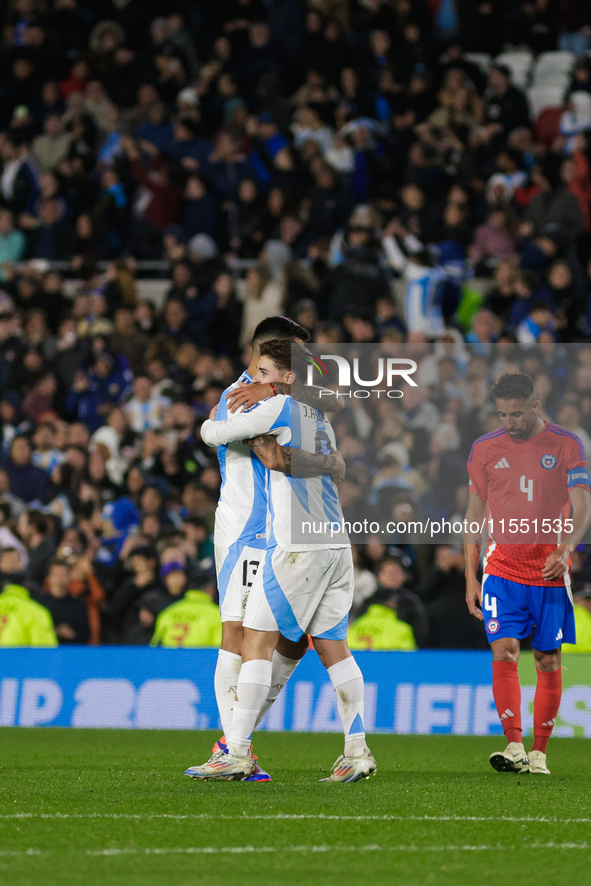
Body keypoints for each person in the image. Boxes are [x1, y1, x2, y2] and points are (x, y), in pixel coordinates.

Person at [188, 340, 376, 783]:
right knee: (334, 647)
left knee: (253, 639)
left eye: (264, 371)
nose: (255, 380)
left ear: (287, 377)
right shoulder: (320, 418)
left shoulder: (277, 407)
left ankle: (235, 751)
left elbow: (211, 434)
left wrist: (227, 415)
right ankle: (357, 751)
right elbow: (315, 462)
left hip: (296, 546)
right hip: (335, 544)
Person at [464, 372, 591, 775]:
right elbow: (473, 516)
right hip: (500, 571)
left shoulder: (566, 444)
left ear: (535, 407)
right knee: (504, 651)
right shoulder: (484, 449)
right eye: (502, 414)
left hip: (549, 573)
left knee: (547, 660)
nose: (509, 423)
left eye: (516, 414)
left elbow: (582, 506)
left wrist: (566, 547)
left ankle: (539, 753)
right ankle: (514, 745)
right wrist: (471, 577)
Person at [0, 548, 57, 646]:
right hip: (19, 660)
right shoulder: (36, 612)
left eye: (15, 560)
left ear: (22, 563)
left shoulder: (35, 592)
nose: (12, 565)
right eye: (8, 560)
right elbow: (46, 654)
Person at [150, 570, 222, 647]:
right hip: (199, 658)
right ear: (210, 589)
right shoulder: (217, 615)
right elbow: (219, 650)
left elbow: (155, 648)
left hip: (169, 658)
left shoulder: (167, 612)